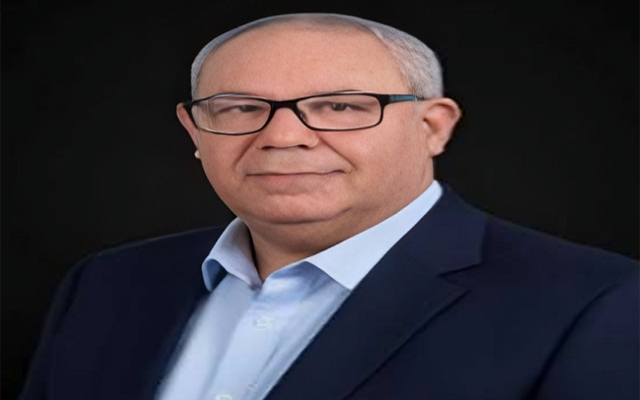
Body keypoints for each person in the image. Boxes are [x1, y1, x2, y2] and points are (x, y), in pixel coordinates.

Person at [19, 13, 638, 400]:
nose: (283, 136)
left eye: (341, 106)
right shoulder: (106, 284)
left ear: (432, 127)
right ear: (195, 132)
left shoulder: (593, 303)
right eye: (240, 108)